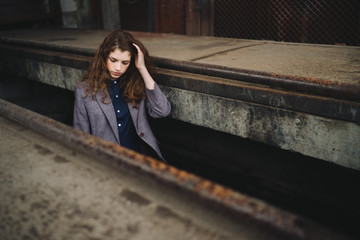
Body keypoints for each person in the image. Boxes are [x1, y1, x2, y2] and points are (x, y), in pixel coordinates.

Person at [73, 30, 171, 162]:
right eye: (113, 60)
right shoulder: (83, 91)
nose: (118, 68)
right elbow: (80, 137)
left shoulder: (135, 84)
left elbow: (162, 111)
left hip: (140, 159)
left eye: (125, 63)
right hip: (106, 162)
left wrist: (142, 68)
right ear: (104, 57)